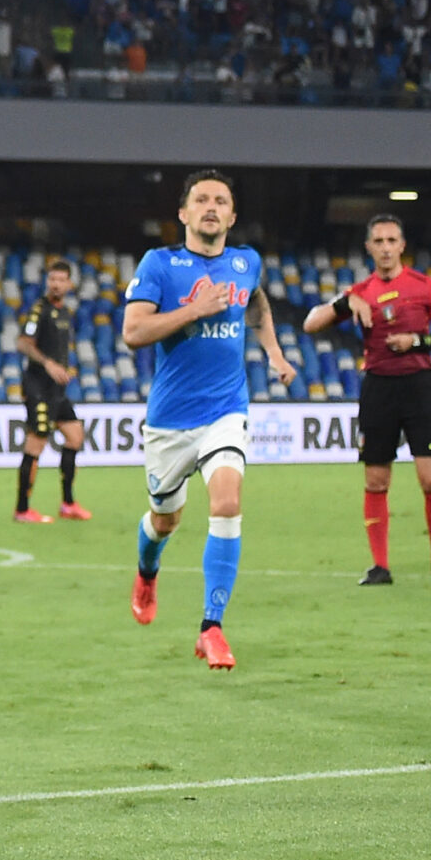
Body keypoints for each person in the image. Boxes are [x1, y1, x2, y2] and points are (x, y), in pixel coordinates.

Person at [120, 170, 295, 669]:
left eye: (221, 200)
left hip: (226, 410)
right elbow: (134, 332)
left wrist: (274, 353)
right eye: (201, 200)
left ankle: (211, 627)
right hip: (171, 421)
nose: (211, 207)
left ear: (232, 216)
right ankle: (147, 571)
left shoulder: (246, 262)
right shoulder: (160, 264)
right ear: (183, 213)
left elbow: (255, 300)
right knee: (164, 520)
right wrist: (194, 310)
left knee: (227, 501)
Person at [302, 213, 431, 585]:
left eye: (392, 241)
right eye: (379, 242)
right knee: (376, 480)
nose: (386, 248)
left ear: (402, 246)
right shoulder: (360, 292)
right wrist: (346, 303)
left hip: (419, 388)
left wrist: (416, 341)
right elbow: (310, 324)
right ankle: (380, 567)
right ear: (369, 248)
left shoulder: (426, 287)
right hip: (378, 389)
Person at [9, 257, 88, 523]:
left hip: (57, 390)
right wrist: (48, 364)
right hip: (38, 387)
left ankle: (68, 504)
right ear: (47, 281)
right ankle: (22, 509)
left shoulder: (65, 312)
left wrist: (63, 368)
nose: (56, 284)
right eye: (52, 279)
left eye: (61, 280)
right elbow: (23, 343)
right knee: (37, 442)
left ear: (69, 284)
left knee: (75, 436)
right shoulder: (39, 310)